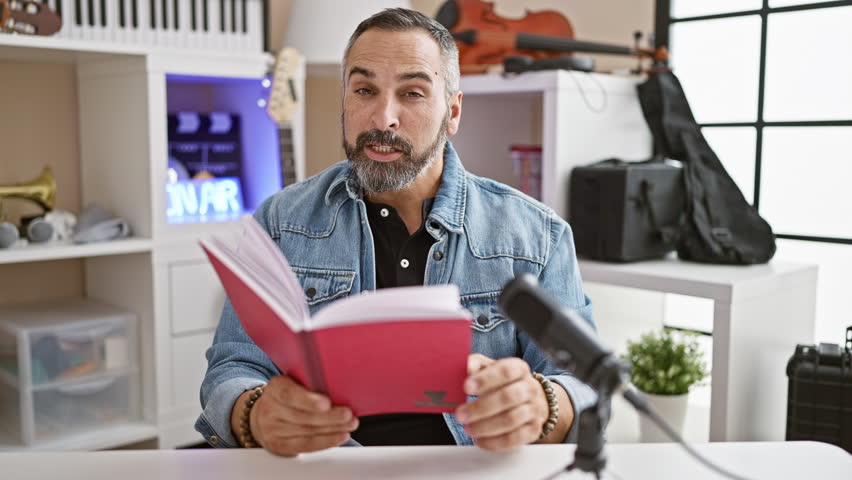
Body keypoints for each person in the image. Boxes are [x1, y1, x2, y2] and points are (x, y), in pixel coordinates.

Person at [195, 8, 596, 455]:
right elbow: (231, 368)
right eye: (364, 90)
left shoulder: (538, 236)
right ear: (344, 100)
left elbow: (582, 383)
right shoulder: (279, 221)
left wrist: (541, 405)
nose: (383, 117)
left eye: (413, 93)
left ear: (453, 111)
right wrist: (255, 413)